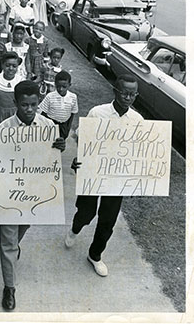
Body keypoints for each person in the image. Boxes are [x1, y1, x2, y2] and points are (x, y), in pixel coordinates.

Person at [0, 80, 66, 311]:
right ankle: (9, 287)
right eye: (24, 105)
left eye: (33, 105)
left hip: (34, 191)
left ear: (38, 103)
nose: (29, 109)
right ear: (15, 103)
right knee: (8, 239)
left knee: (23, 226)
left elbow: (53, 157)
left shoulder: (48, 127)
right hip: (9, 191)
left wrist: (60, 145)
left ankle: (11, 250)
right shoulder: (3, 130)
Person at [65, 74, 143, 277]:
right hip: (94, 173)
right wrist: (78, 160)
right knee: (85, 212)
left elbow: (139, 153)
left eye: (132, 94)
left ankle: (95, 255)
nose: (128, 97)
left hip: (117, 179)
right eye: (124, 93)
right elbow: (82, 138)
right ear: (115, 91)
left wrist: (137, 181)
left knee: (108, 220)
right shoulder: (97, 113)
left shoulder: (137, 120)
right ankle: (75, 229)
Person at [38, 70, 78, 139]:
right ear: (55, 84)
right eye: (58, 86)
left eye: (64, 87)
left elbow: (72, 113)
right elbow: (43, 113)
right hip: (50, 124)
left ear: (69, 85)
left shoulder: (73, 97)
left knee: (59, 145)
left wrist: (67, 128)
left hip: (63, 126)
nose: (61, 89)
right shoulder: (50, 96)